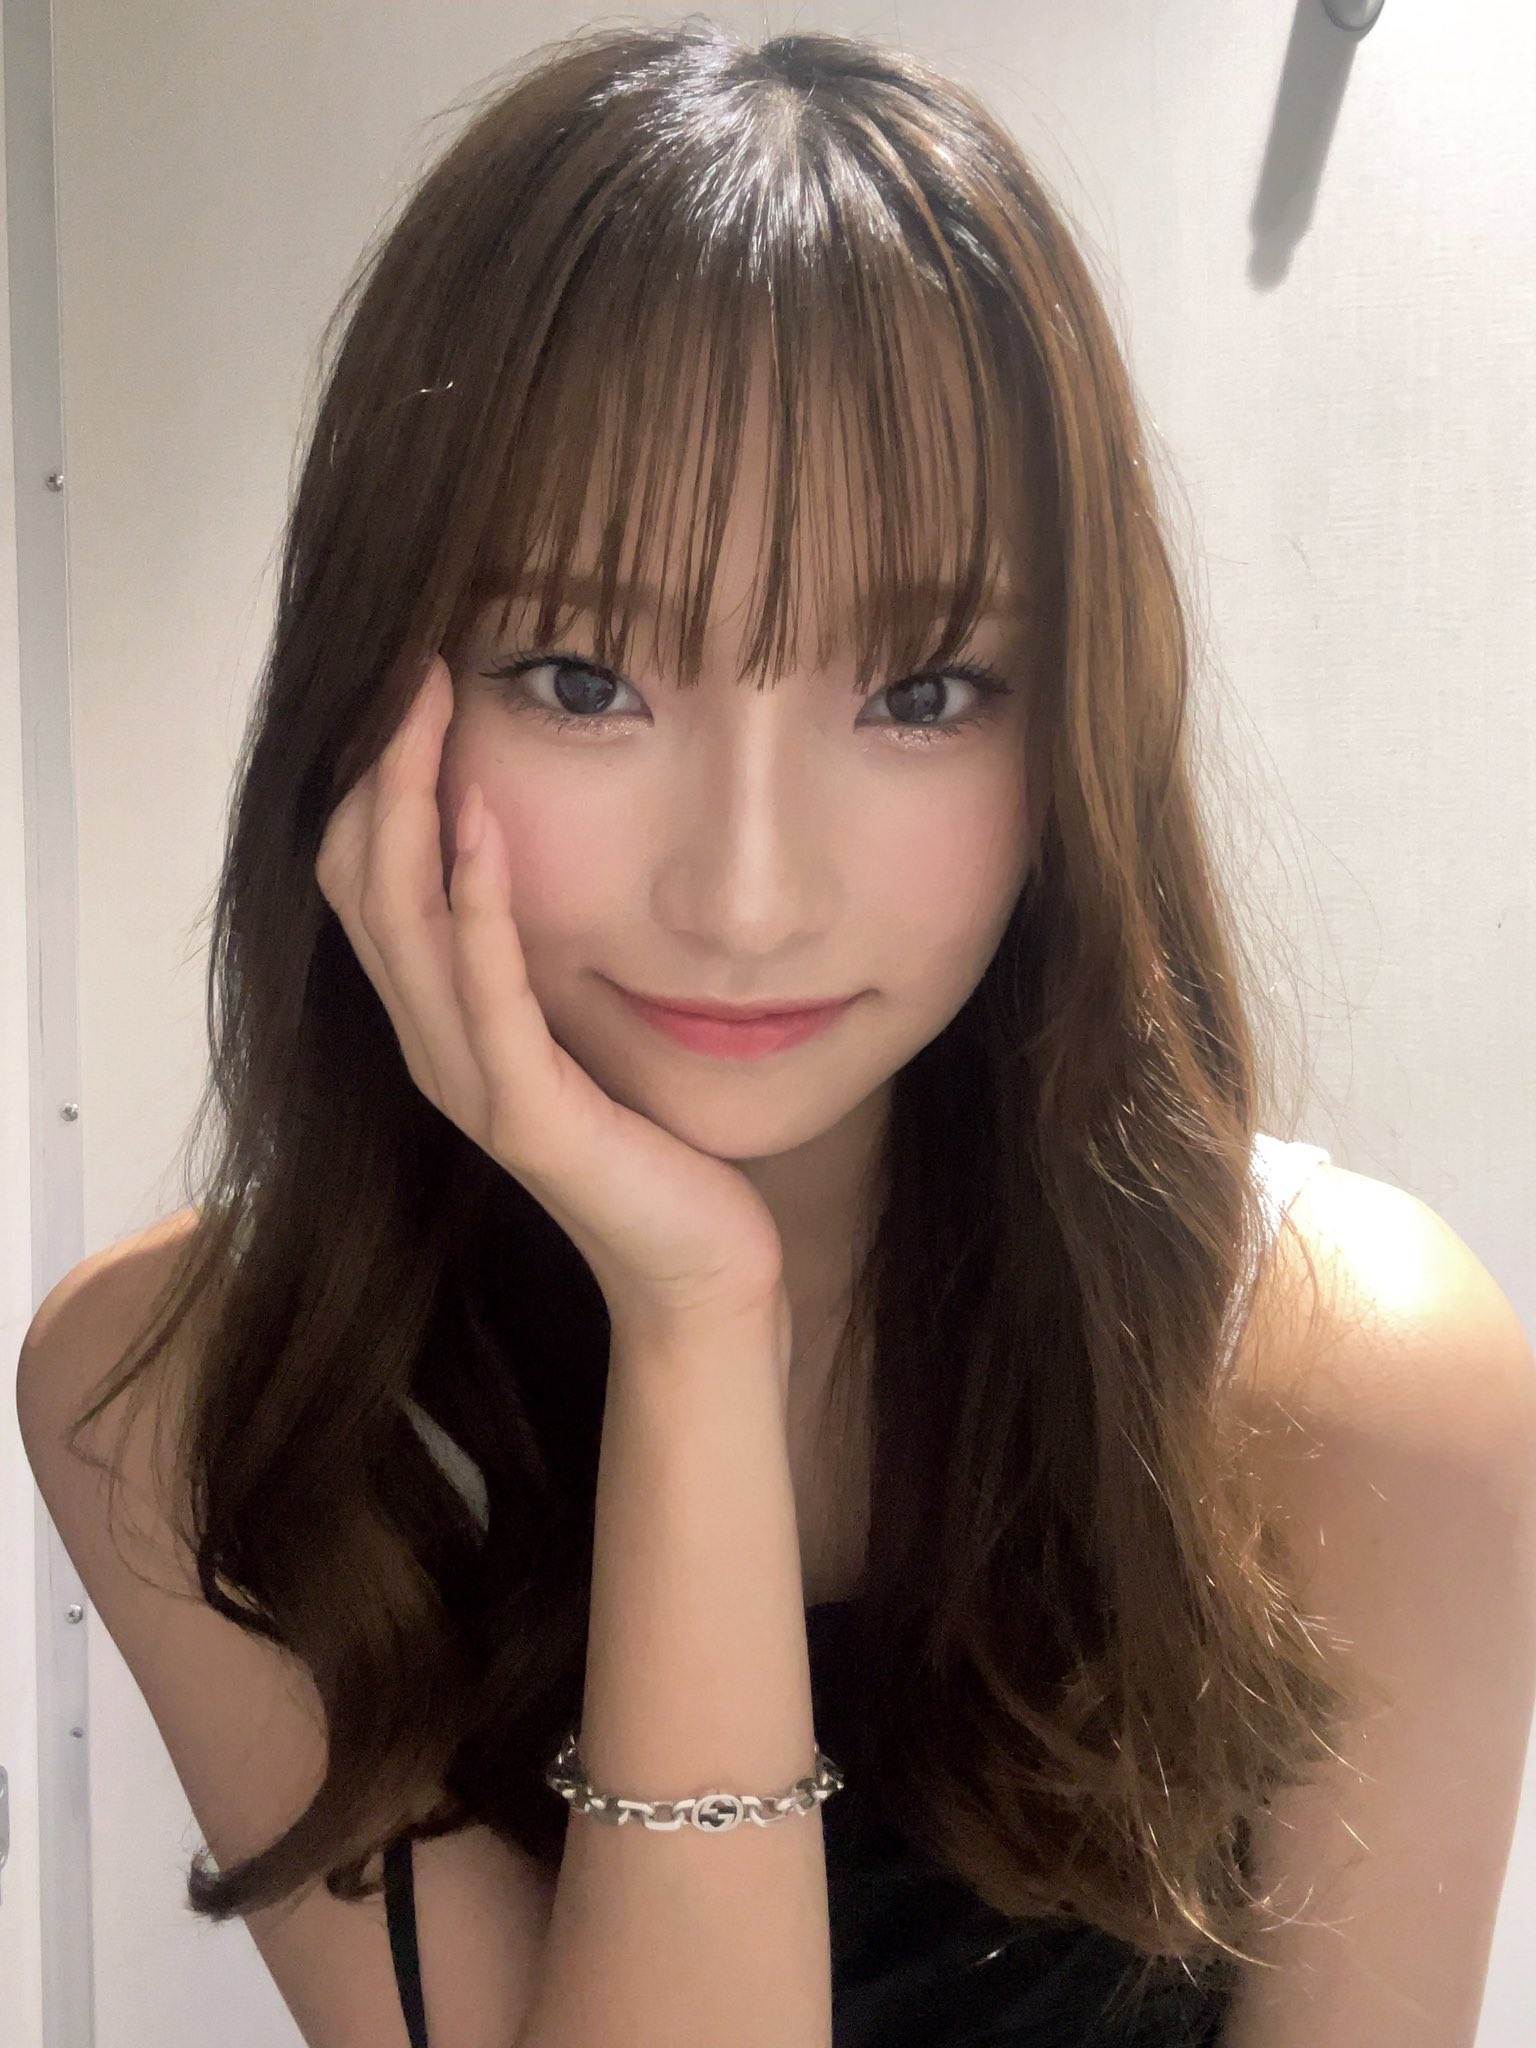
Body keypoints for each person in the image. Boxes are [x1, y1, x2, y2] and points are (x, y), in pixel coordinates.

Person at [16, 21, 1535, 2048]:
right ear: (375, 703)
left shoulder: (1350, 1380)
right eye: (581, 676)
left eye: (922, 692)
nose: (746, 895)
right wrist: (694, 1321)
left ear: (1070, 736)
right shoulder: (192, 1399)